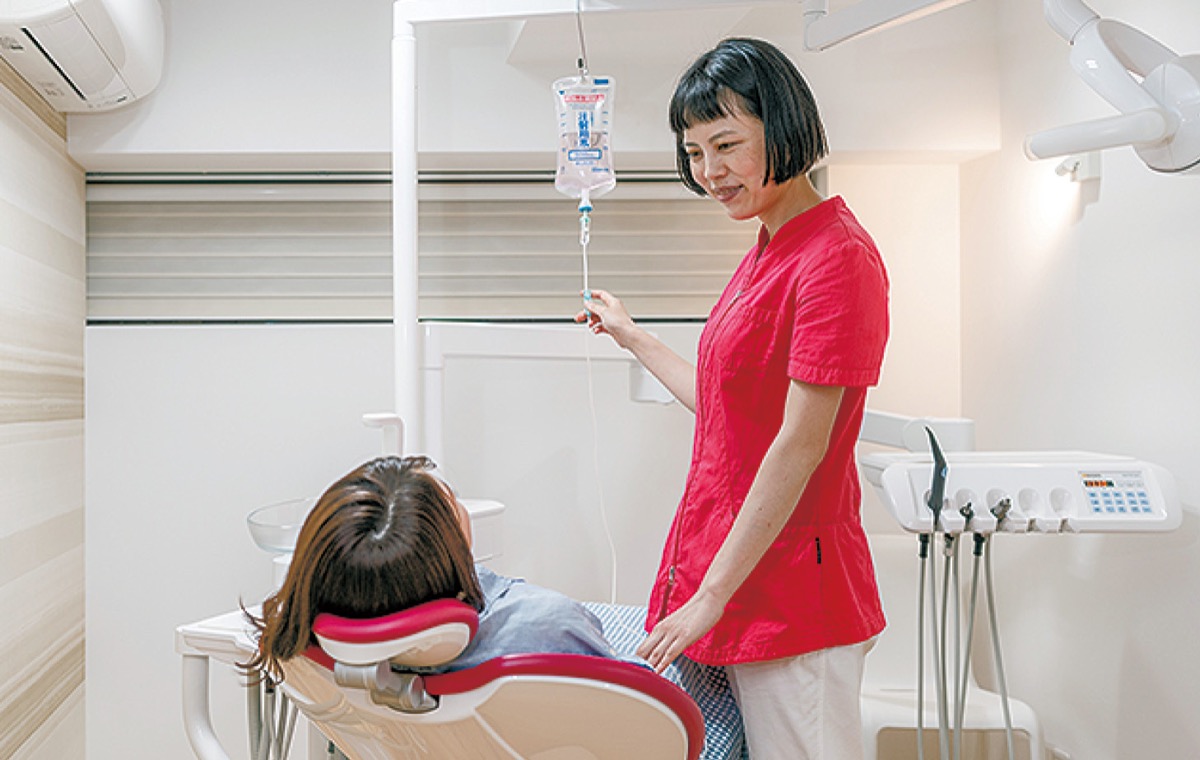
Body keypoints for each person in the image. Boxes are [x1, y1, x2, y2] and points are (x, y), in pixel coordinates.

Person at [576, 37, 889, 759]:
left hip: (795, 598)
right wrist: (632, 336)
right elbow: (728, 408)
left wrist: (710, 596)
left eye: (726, 145)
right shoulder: (768, 250)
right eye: (694, 152)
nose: (709, 172)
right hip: (739, 576)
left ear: (783, 128)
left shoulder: (837, 258)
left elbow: (800, 444)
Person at [242, 455, 618, 683]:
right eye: (447, 501)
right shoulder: (545, 623)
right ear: (449, 548)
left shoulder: (311, 640)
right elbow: (643, 713)